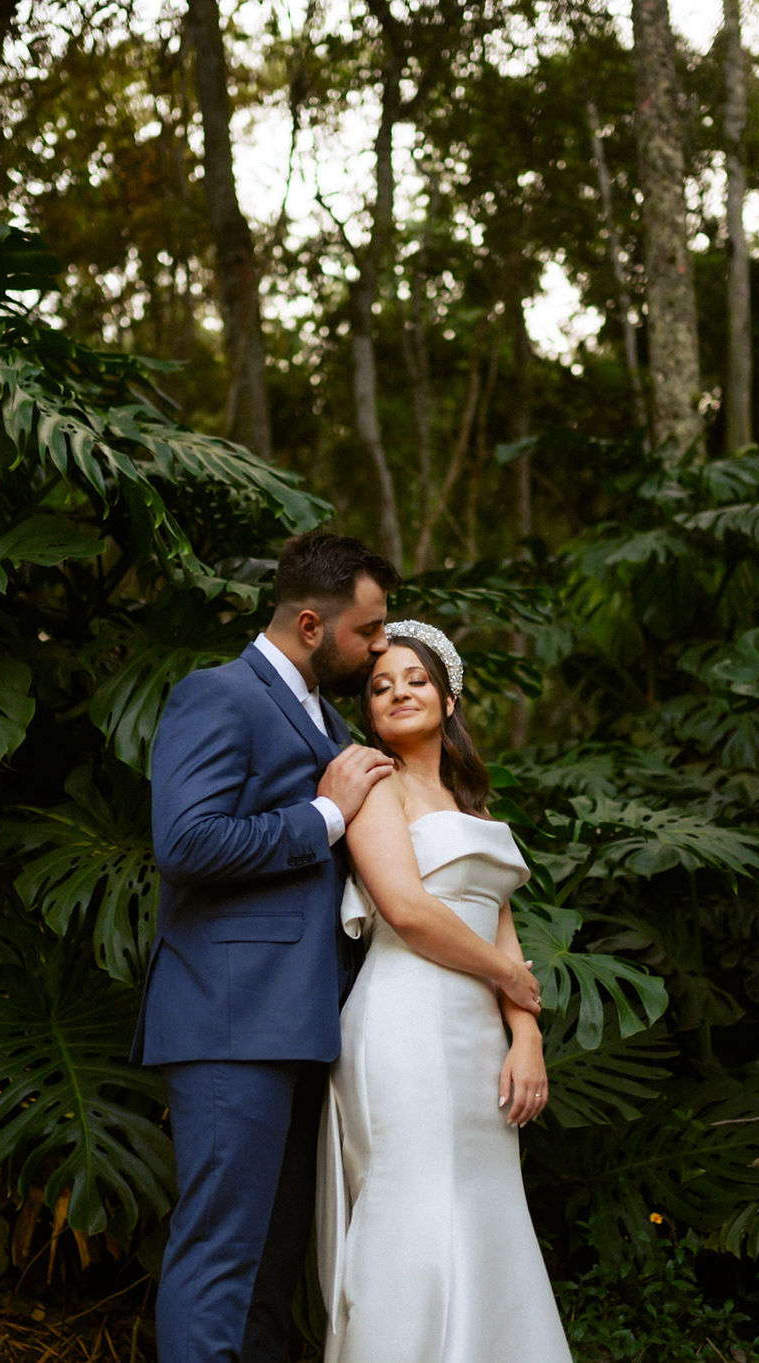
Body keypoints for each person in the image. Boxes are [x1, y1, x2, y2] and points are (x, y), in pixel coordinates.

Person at [134, 530, 400, 1363]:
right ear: (313, 625)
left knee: (270, 1270)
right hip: (227, 1020)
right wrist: (323, 818)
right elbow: (186, 841)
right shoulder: (219, 695)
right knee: (220, 1255)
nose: (380, 645)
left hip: (303, 1025)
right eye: (369, 632)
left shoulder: (322, 717)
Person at [315, 621, 569, 1363]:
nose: (397, 692)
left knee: (486, 1212)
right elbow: (406, 908)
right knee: (416, 1208)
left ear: (449, 696)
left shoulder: (473, 803)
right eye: (380, 684)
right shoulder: (371, 780)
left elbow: (503, 927)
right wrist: (505, 977)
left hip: (478, 1038)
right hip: (404, 1022)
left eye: (414, 679)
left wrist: (526, 1036)